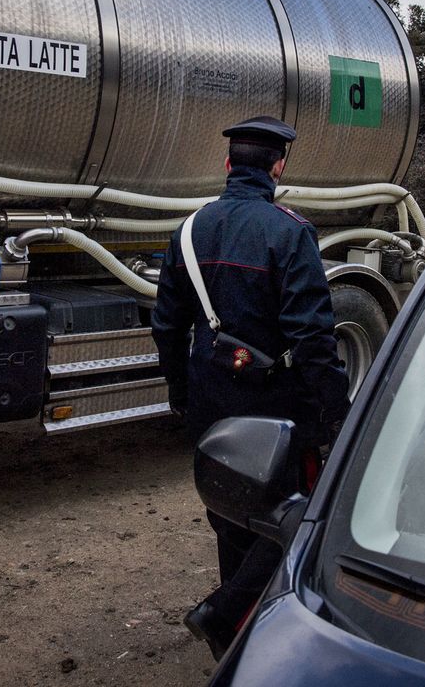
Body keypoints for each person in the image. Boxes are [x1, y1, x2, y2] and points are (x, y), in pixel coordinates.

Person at [151, 116, 351, 659]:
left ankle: (233, 644)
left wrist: (181, 393)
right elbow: (312, 338)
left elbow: (166, 325)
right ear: (278, 166)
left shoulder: (189, 230)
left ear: (227, 165)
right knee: (294, 516)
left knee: (231, 517)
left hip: (212, 407)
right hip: (279, 413)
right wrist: (339, 416)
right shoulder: (290, 232)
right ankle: (233, 621)